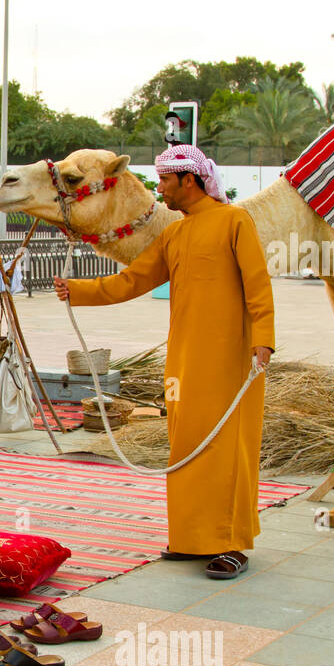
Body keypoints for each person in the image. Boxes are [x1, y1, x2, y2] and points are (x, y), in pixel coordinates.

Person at [55, 143, 276, 580]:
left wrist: (264, 341)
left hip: (233, 359)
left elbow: (258, 283)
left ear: (188, 180)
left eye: (165, 180)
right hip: (185, 360)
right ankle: (194, 539)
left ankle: (232, 543)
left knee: (227, 448)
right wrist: (78, 291)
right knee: (188, 445)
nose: (160, 189)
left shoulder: (235, 222)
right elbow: (132, 281)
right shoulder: (174, 234)